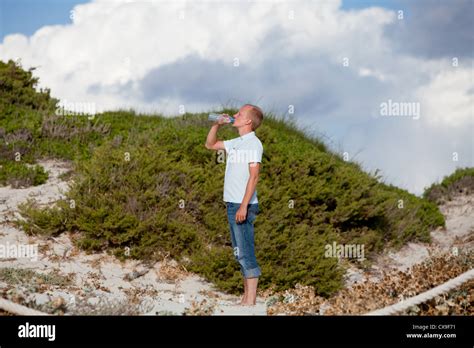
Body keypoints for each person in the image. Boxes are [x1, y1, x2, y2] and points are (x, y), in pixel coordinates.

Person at [205, 104, 264, 306]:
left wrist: (244, 206)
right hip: (232, 203)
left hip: (242, 204)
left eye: (239, 114)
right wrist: (216, 125)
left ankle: (251, 301)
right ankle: (246, 299)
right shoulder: (237, 142)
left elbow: (254, 177)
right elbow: (210, 145)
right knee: (240, 252)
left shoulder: (254, 144)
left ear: (248, 121)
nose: (235, 115)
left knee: (246, 252)